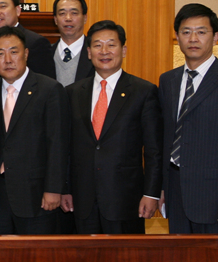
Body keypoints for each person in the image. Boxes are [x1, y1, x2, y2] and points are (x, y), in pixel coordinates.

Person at [158, 4, 218, 238]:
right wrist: (162, 187)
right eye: (186, 31)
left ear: (216, 37)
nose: (193, 38)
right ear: (177, 37)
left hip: (214, 197)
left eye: (201, 32)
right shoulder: (168, 80)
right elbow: (167, 137)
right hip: (176, 192)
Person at [64, 21, 162, 234]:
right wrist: (65, 189)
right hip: (82, 199)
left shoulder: (143, 92)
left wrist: (151, 193)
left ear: (123, 50)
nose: (104, 51)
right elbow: (66, 148)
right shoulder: (72, 93)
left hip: (126, 200)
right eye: (98, 45)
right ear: (89, 53)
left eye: (111, 45)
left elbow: (154, 150)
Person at [0, 26, 69, 235]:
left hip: (36, 194)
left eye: (14, 52)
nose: (8, 59)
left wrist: (53, 189)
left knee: (36, 261)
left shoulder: (49, 89)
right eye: (0, 53)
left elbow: (57, 143)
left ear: (26, 54)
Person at [52, 0, 94, 87]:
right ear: (55, 19)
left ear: (85, 18)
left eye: (74, 13)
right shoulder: (45, 53)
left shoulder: (96, 53)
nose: (68, 18)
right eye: (62, 13)